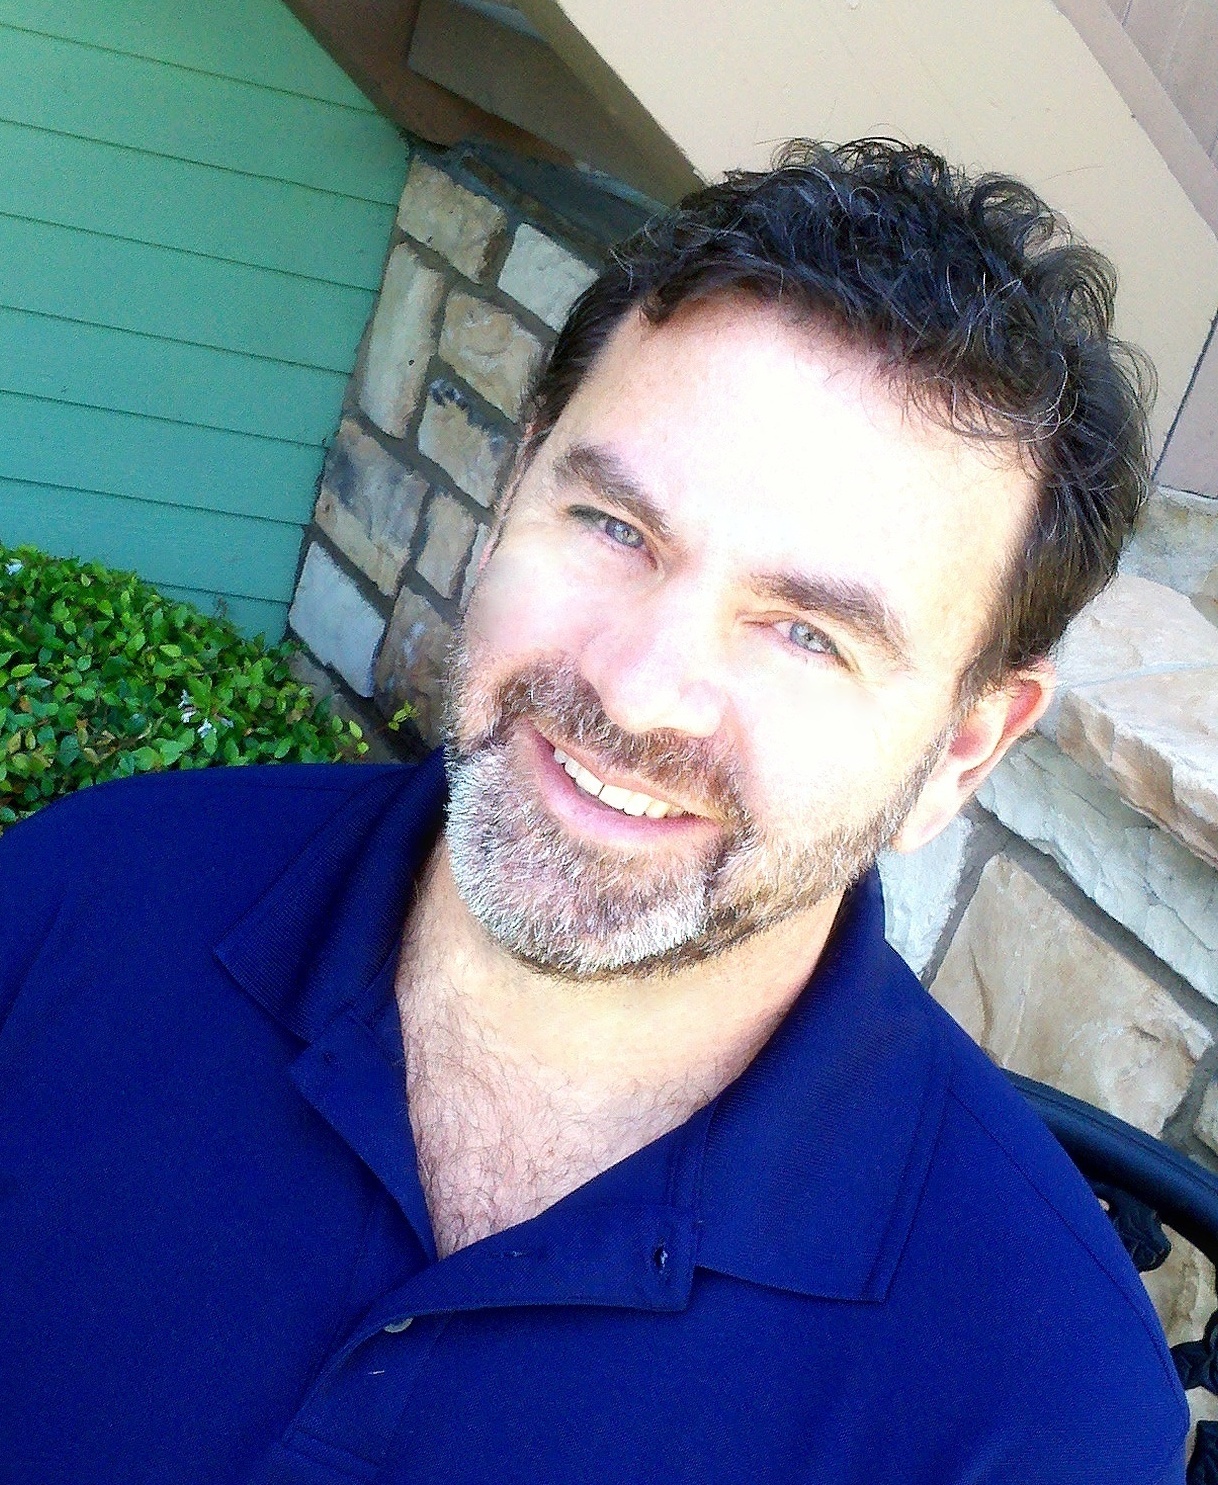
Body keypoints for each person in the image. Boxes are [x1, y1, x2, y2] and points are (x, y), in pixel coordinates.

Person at [0, 140, 1189, 1483]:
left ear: (961, 750)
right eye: (616, 528)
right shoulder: (74, 905)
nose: (635, 687)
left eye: (805, 632)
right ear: (513, 491)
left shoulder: (1041, 1404)